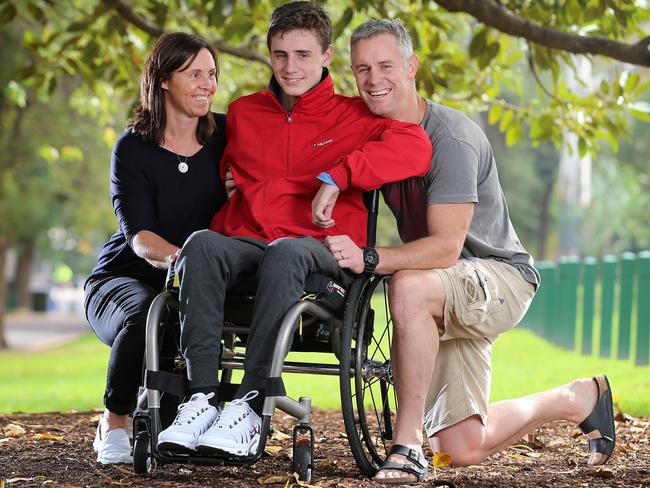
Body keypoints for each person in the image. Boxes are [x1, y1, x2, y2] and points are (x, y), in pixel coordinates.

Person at [318, 19, 616, 484]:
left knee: (409, 286)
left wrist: (371, 257)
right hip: (446, 284)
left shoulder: (450, 137)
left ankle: (407, 446)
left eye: (385, 66)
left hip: (498, 276)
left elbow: (445, 246)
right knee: (461, 449)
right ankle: (576, 398)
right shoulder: (370, 132)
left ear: (413, 66)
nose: (374, 80)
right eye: (362, 69)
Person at [155, 1, 432, 458]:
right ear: (268, 54)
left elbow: (415, 149)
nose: (291, 67)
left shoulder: (356, 116)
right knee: (201, 244)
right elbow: (227, 164)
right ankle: (199, 399)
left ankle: (249, 402)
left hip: (319, 253)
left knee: (286, 250)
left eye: (304, 55)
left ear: (326, 57)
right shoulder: (243, 113)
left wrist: (338, 176)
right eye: (280, 55)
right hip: (249, 245)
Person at [84, 32, 227, 465]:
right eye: (194, 74)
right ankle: (114, 421)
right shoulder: (133, 148)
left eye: (213, 74)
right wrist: (186, 260)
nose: (207, 84)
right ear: (163, 79)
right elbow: (140, 237)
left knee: (168, 435)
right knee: (146, 311)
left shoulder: (225, 139)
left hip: (192, 284)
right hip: (126, 276)